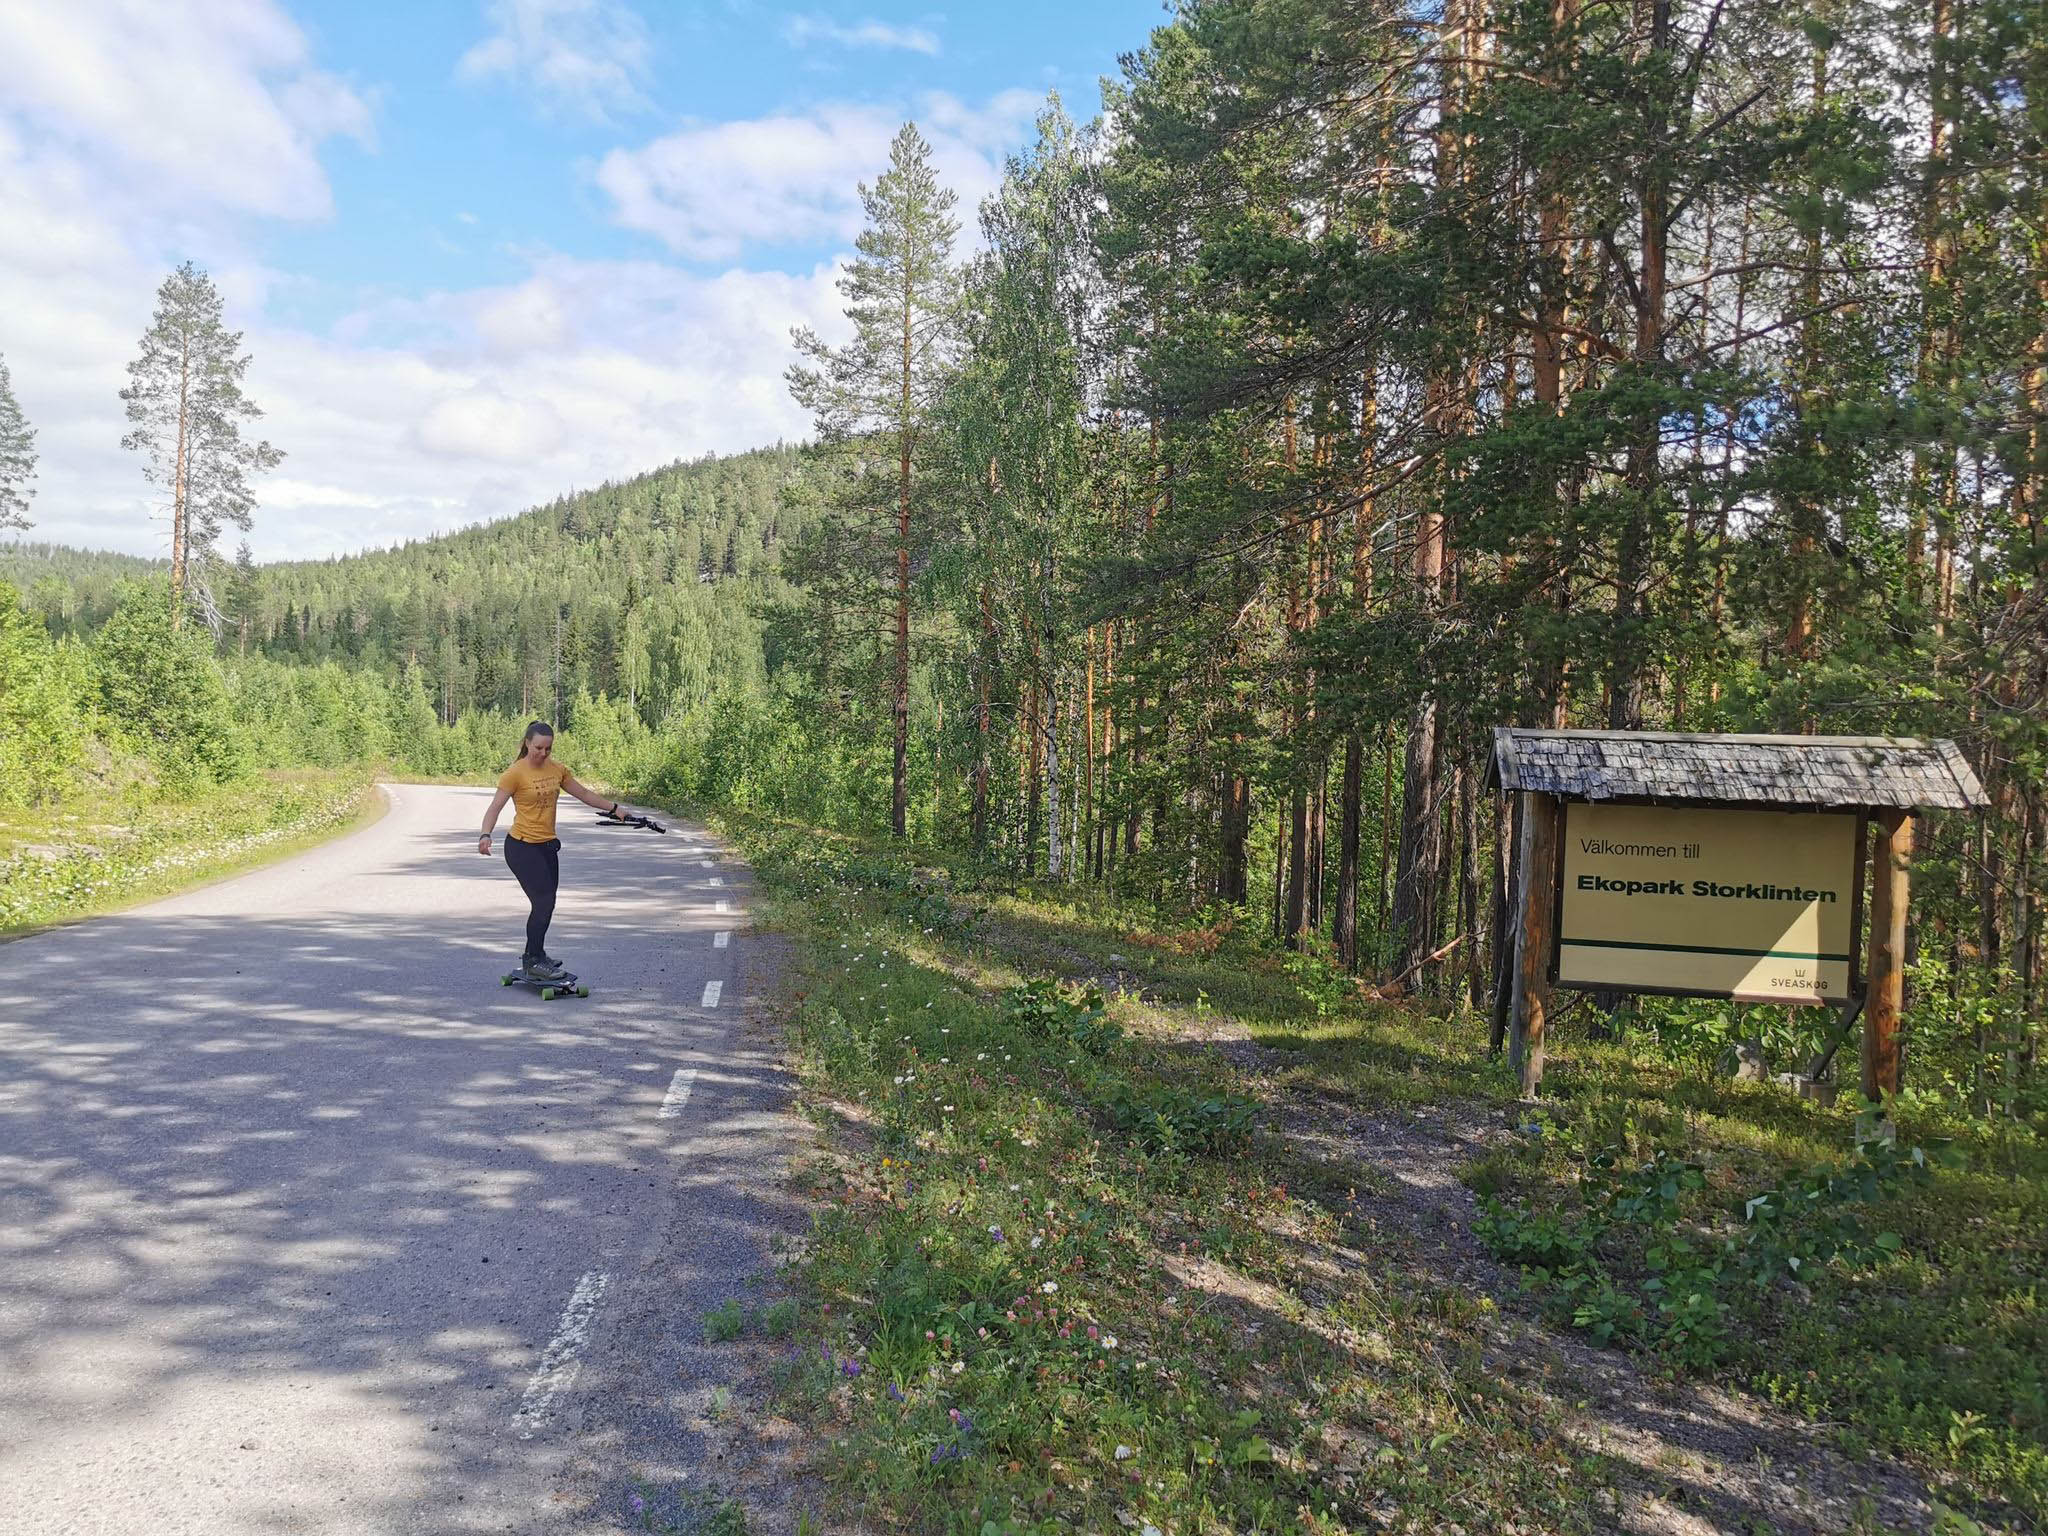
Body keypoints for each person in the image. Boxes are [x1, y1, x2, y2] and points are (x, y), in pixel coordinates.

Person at [478, 720, 626, 981]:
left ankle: (535, 954)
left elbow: (584, 794)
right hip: (521, 847)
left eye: (548, 748)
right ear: (527, 743)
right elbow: (495, 807)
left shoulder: (557, 769)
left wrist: (614, 808)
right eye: (538, 748)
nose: (543, 753)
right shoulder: (515, 773)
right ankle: (533, 961)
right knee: (543, 902)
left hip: (547, 846)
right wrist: (485, 835)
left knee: (547, 903)